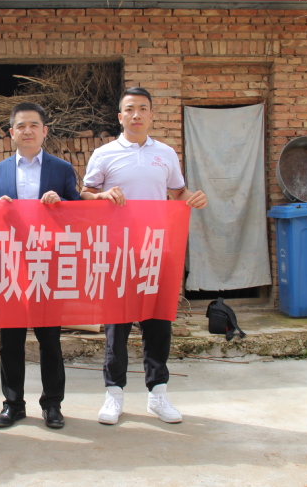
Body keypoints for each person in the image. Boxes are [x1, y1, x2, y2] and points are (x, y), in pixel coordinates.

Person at [80, 87, 207, 425]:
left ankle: (158, 394)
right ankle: (114, 394)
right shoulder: (104, 154)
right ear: (120, 116)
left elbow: (178, 191)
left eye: (143, 109)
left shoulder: (165, 154)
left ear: (152, 115)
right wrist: (102, 196)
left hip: (156, 249)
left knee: (158, 322)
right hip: (117, 251)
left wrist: (193, 198)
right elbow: (85, 193)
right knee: (116, 325)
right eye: (130, 109)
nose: (136, 114)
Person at [0, 102, 81, 430]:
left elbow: (79, 213)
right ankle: (13, 405)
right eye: (21, 126)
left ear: (44, 131)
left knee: (49, 339)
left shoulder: (61, 169)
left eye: (34, 125)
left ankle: (52, 404)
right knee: (10, 340)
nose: (27, 131)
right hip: (9, 266)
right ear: (11, 132)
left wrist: (61, 204)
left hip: (47, 265)